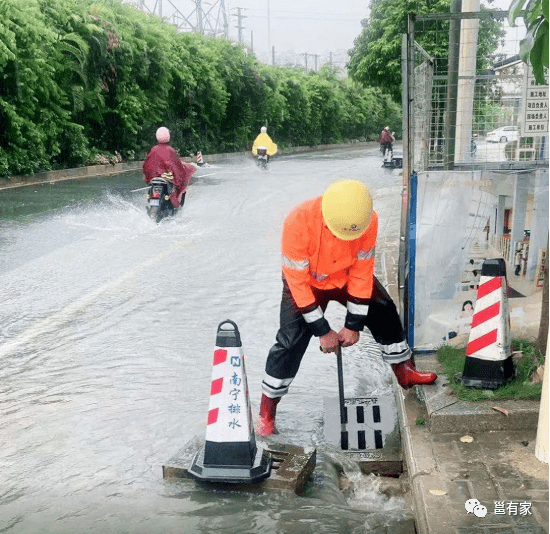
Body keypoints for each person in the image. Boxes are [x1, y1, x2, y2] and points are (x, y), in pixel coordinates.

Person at [256, 179, 438, 436]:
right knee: (290, 341)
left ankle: (404, 371)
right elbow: (297, 284)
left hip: (346, 276)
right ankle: (267, 412)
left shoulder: (368, 221)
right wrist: (322, 330)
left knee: (383, 308)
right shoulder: (298, 222)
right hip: (306, 283)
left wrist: (353, 325)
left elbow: (362, 273)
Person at [143, 127, 196, 208]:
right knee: (177, 191)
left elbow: (147, 166)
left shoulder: (153, 149)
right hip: (166, 180)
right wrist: (179, 181)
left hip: (154, 180)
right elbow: (177, 168)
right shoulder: (170, 150)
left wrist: (147, 178)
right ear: (168, 137)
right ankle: (175, 208)